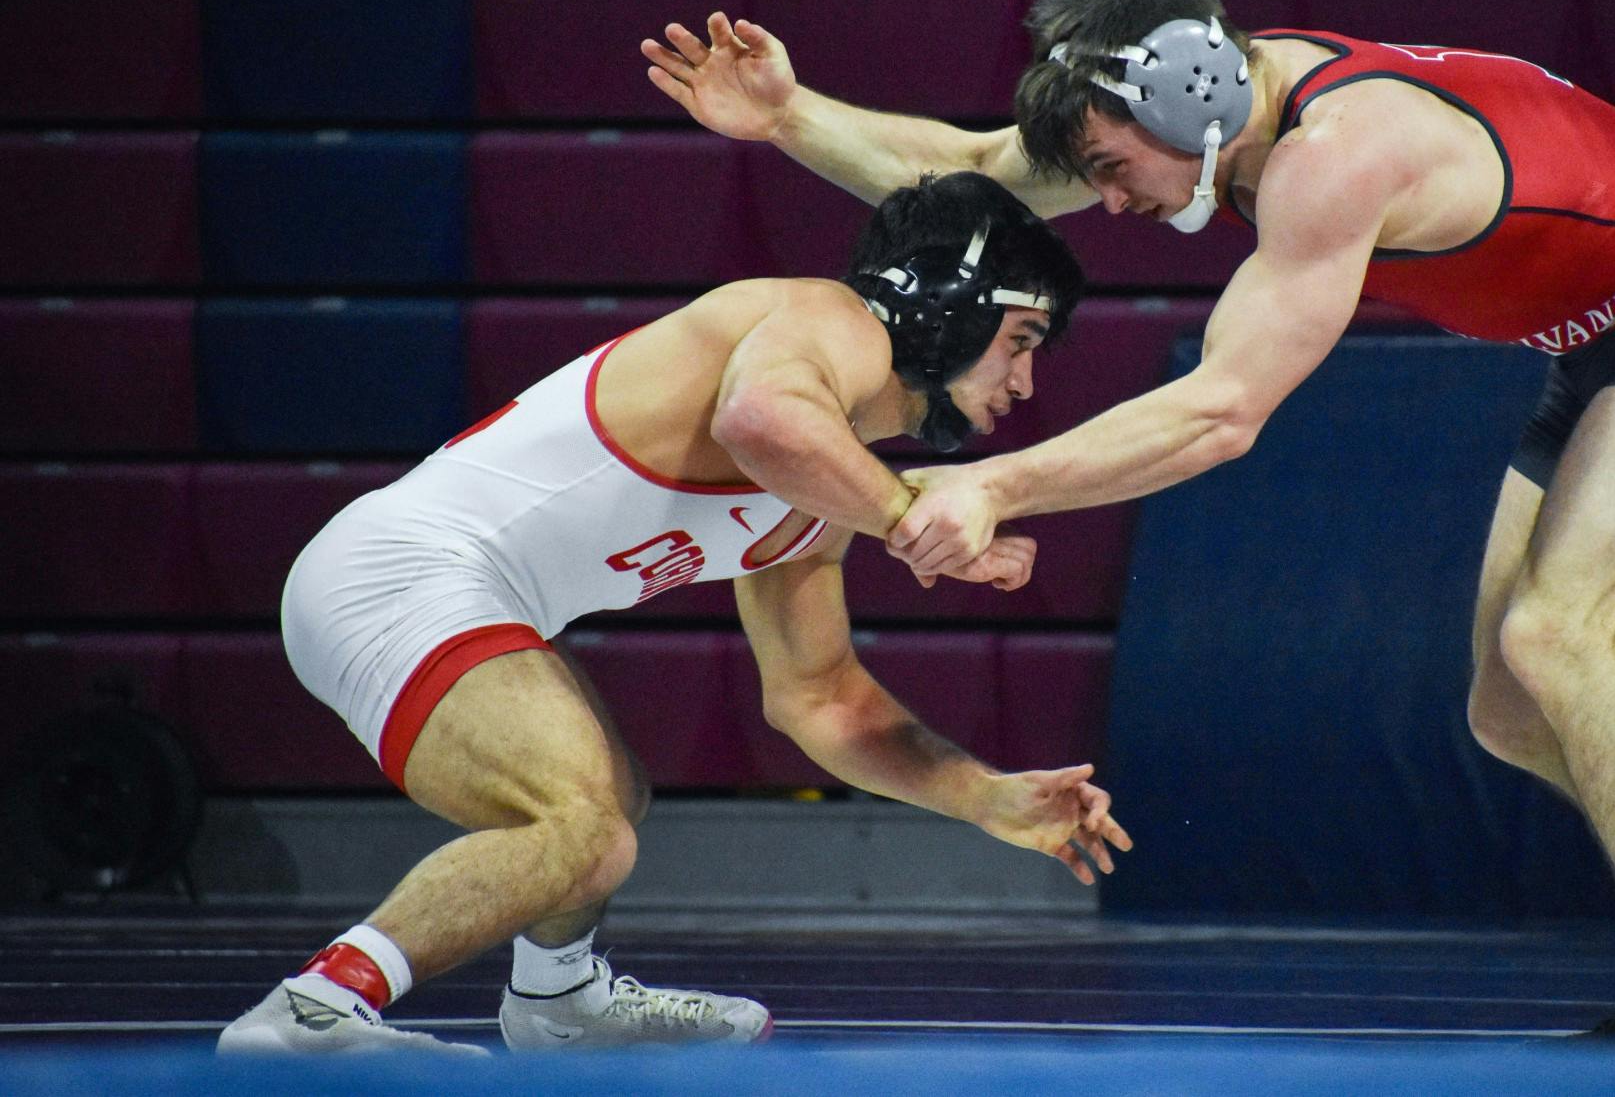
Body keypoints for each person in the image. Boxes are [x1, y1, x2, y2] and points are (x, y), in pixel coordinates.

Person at [642, 0, 1615, 1037]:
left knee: (1556, 634)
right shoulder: (1203, 102)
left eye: (1115, 174)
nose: (1113, 205)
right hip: (1601, 335)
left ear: (1189, 97)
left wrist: (992, 479)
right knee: (1510, 708)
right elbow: (974, 172)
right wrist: (789, 114)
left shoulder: (1335, 157)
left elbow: (1220, 413)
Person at [217, 172, 1126, 1056]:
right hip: (401, 572)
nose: (1026, 383)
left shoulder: (828, 482)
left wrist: (986, 796)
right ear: (948, 301)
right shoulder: (823, 318)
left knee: (616, 797)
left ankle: (559, 997)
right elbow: (761, 416)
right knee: (579, 822)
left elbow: (821, 699)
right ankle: (314, 1008)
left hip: (463, 590)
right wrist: (907, 520)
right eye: (1023, 336)